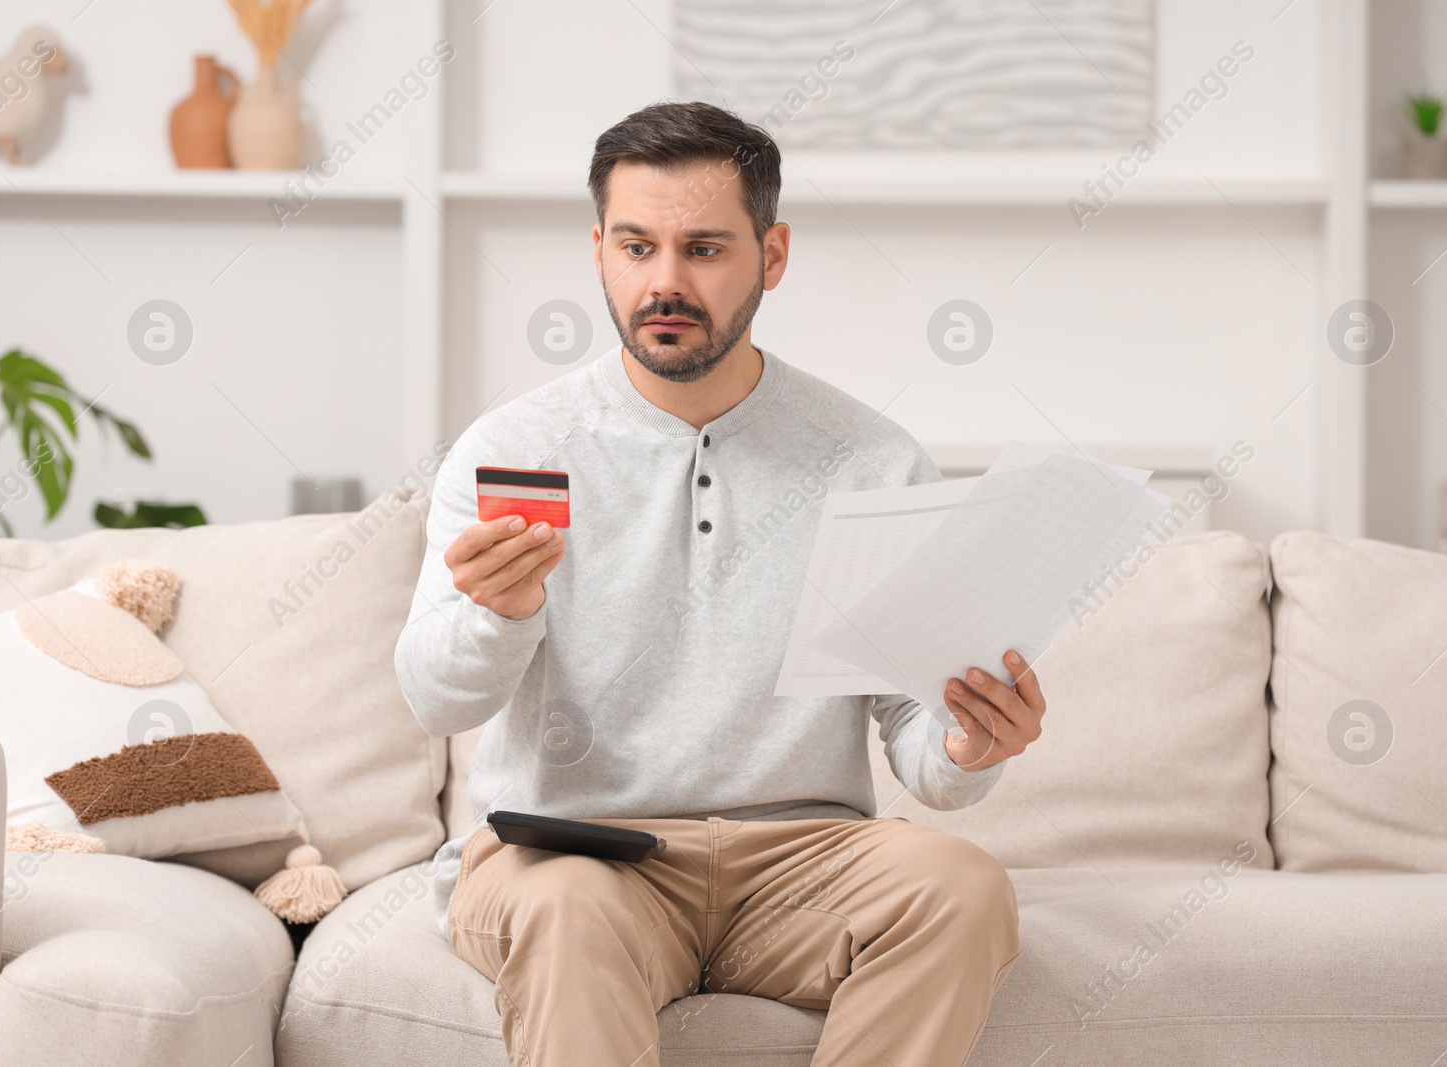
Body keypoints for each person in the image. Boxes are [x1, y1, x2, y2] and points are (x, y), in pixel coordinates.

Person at [394, 99, 1048, 1067]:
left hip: (799, 859)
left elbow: (925, 755)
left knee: (960, 884)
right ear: (599, 253)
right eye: (635, 246)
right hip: (574, 854)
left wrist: (968, 741)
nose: (664, 280)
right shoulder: (514, 447)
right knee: (568, 905)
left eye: (703, 248)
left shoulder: (869, 460)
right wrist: (501, 616)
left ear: (771, 255)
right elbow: (433, 699)